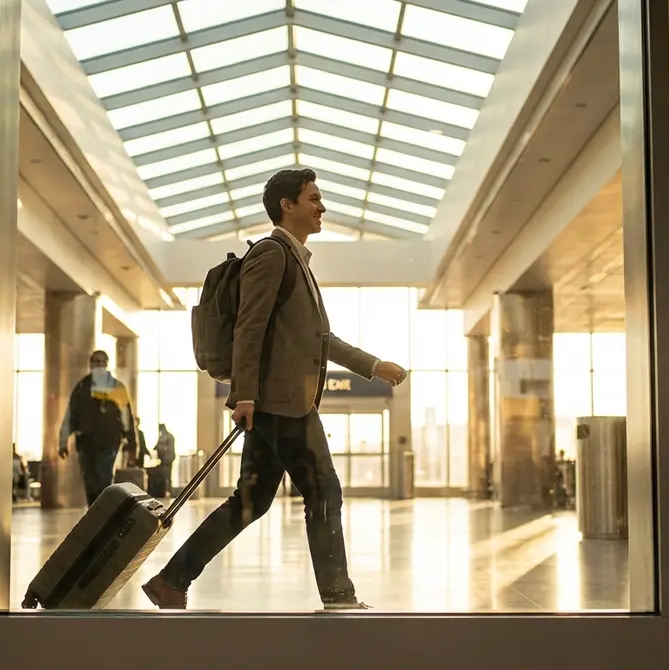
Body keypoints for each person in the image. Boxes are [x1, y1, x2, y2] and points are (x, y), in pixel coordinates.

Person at [142, 169, 407, 611]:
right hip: (280, 401)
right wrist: (244, 394)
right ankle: (338, 596)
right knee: (323, 489)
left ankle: (172, 579)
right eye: (313, 198)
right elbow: (250, 326)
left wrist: (373, 365)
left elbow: (322, 338)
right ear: (288, 205)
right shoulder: (271, 253)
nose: (321, 207)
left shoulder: (297, 261)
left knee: (251, 500)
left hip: (279, 400)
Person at [57, 350, 137, 505]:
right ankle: (94, 512)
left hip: (109, 441)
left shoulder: (116, 388)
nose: (98, 365)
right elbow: (70, 415)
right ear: (90, 364)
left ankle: (102, 512)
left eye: (101, 362)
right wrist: (63, 441)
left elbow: (126, 417)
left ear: (107, 364)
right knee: (89, 481)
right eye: (95, 362)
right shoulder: (82, 388)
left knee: (104, 479)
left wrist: (132, 443)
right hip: (86, 442)